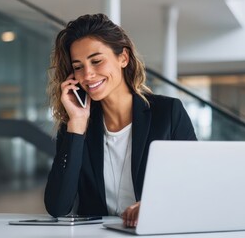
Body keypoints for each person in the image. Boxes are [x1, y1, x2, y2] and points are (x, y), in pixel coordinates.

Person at [44, 13, 197, 228]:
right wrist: (77, 124)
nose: (87, 75)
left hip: (155, 230)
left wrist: (155, 206)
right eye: (78, 67)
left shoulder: (168, 113)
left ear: (123, 58)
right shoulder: (75, 125)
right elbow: (58, 207)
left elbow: (193, 186)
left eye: (96, 61)